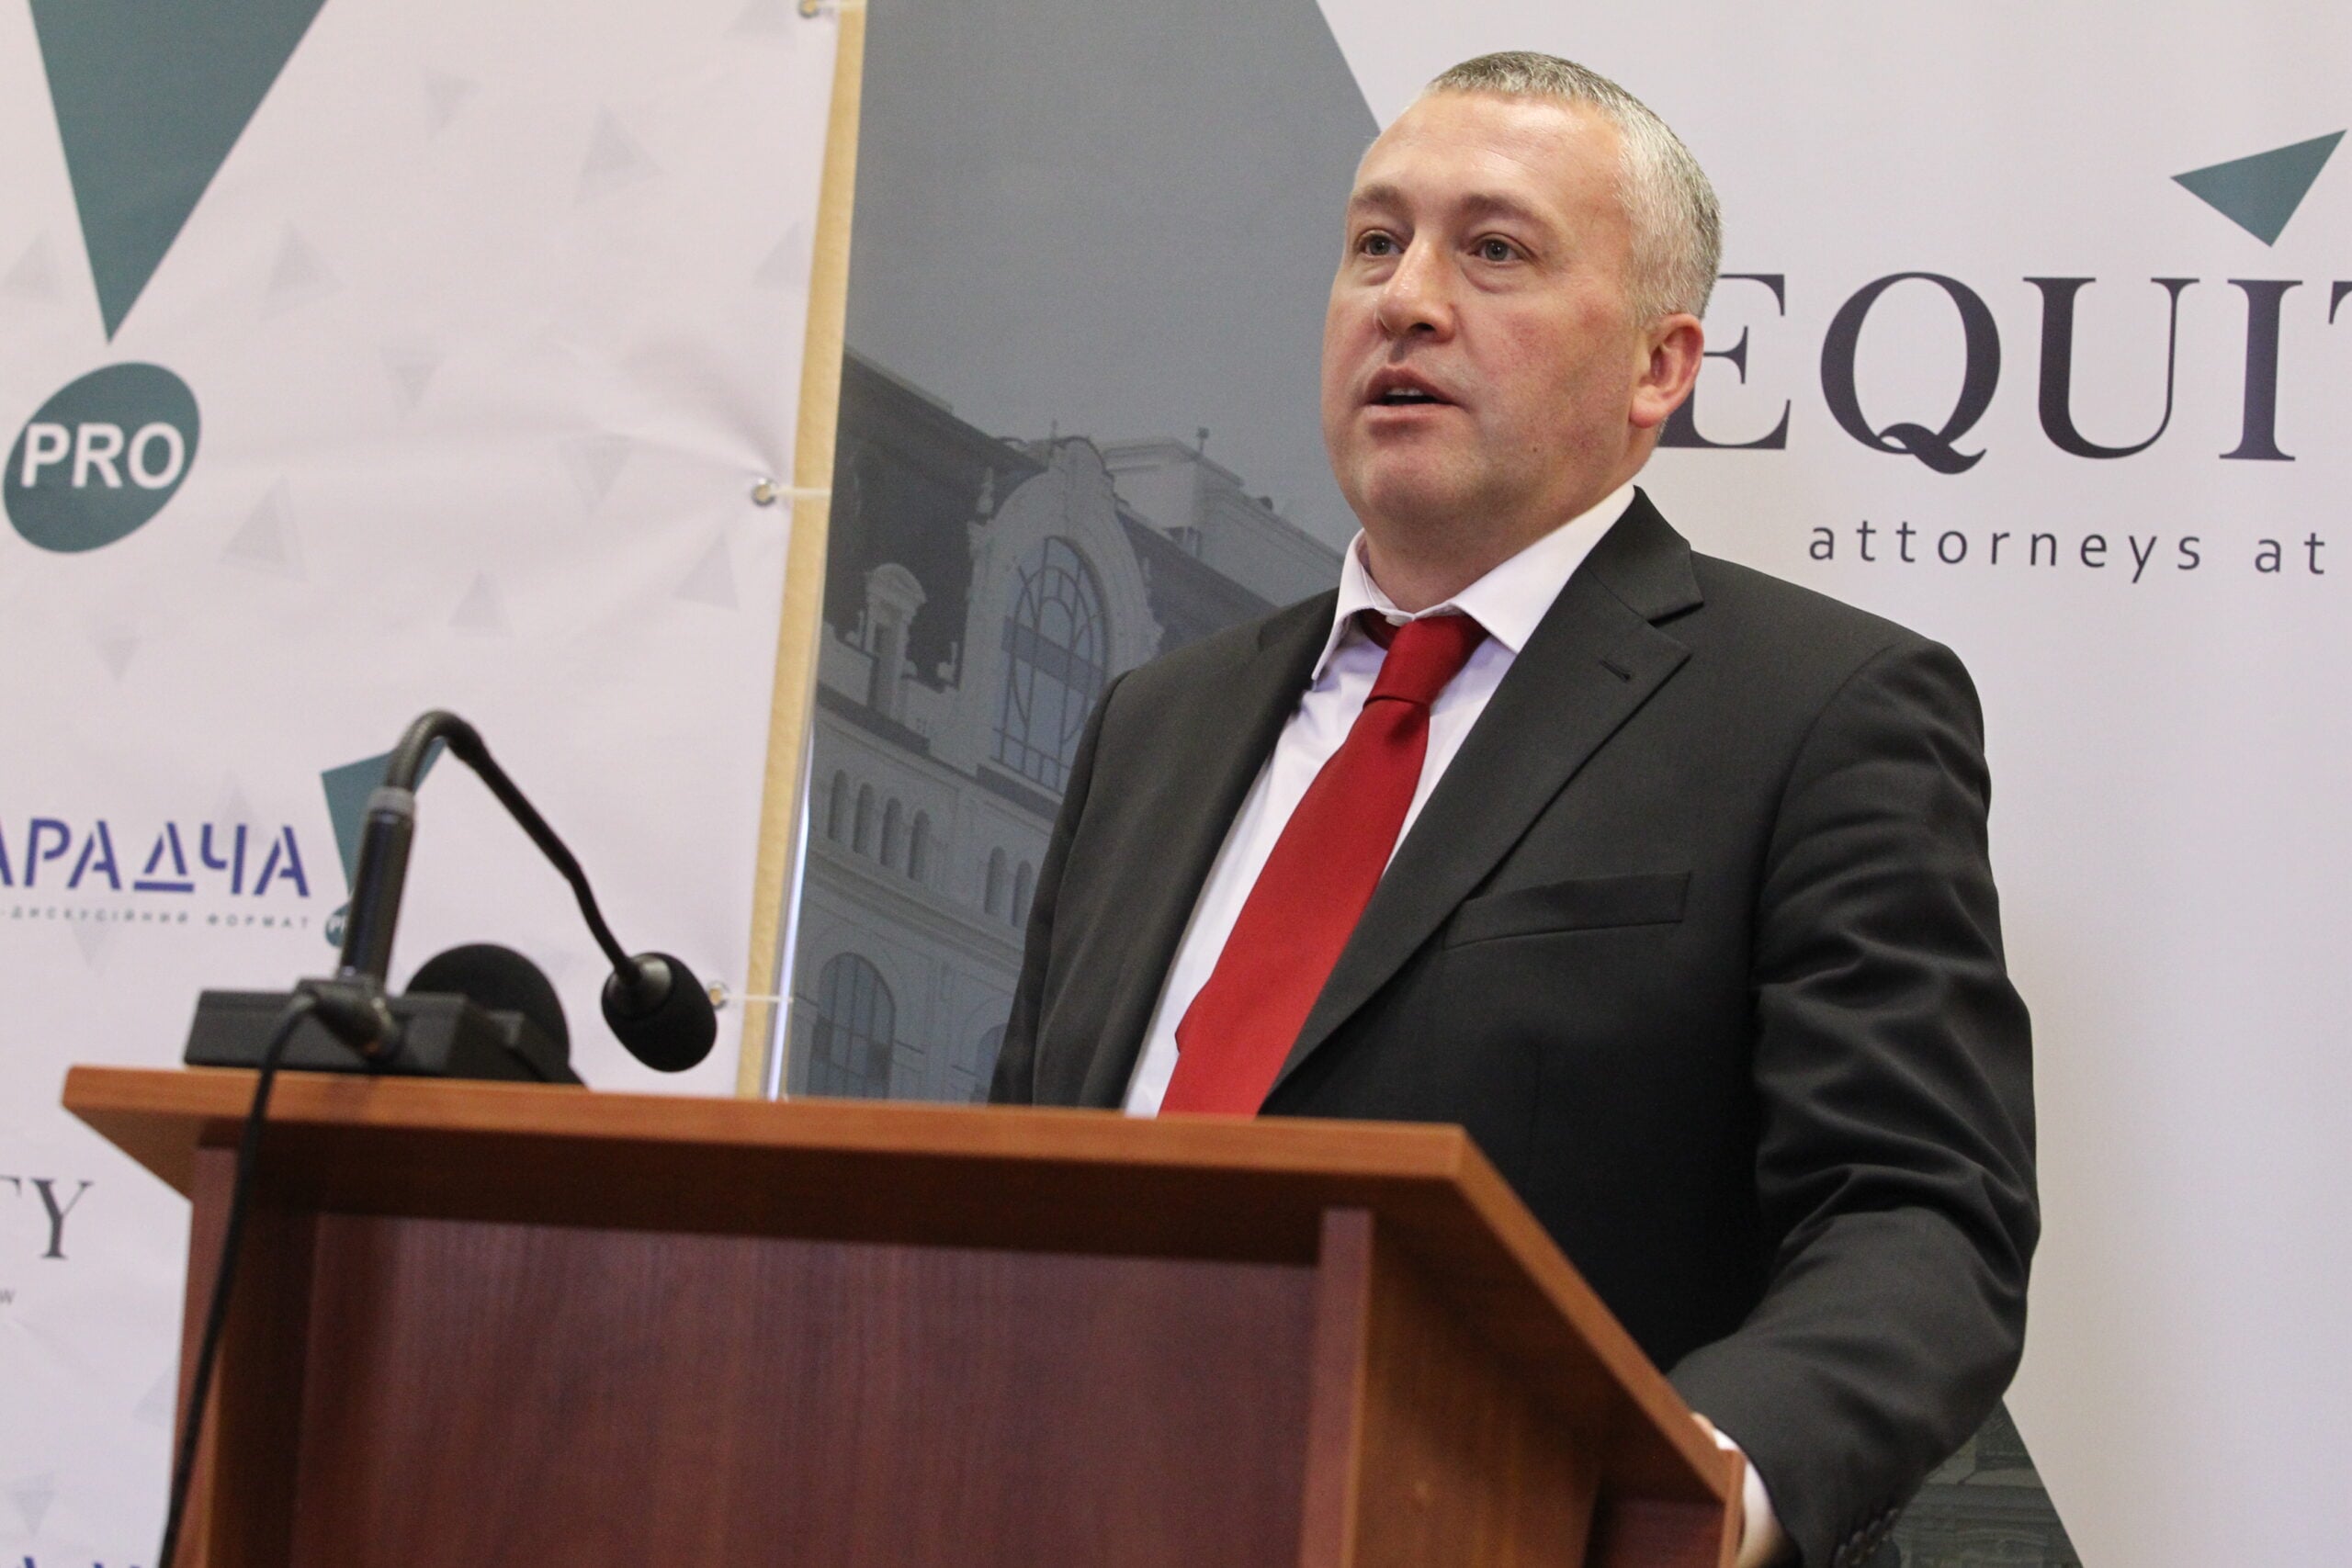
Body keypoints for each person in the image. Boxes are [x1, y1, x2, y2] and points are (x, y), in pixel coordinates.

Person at [989, 51, 2035, 1568]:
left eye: (1494, 250)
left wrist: (1679, 1491)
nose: (1406, 300)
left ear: (1660, 367)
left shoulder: (1819, 714)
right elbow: (1019, 1181)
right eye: (1374, 242)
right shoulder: (1159, 723)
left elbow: (1917, 1222)